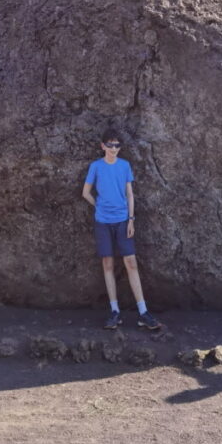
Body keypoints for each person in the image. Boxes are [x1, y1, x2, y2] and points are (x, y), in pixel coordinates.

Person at [82, 128, 161, 331]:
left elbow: (130, 194)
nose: (114, 148)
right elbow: (86, 193)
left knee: (131, 262)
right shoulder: (96, 166)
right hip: (102, 221)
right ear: (103, 146)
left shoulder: (125, 166)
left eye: (117, 145)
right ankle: (114, 311)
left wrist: (131, 219)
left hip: (123, 220)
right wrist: (98, 205)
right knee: (107, 263)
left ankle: (143, 312)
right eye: (110, 145)